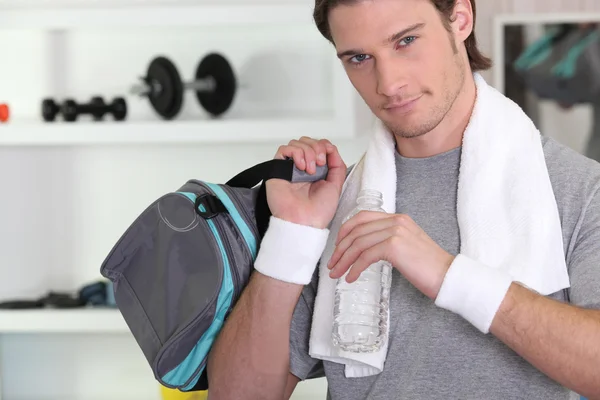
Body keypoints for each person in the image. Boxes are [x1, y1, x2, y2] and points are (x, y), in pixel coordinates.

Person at [206, 0, 600, 399]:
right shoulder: (332, 206)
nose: (388, 83)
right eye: (359, 57)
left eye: (406, 40)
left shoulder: (579, 189)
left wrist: (448, 274)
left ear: (460, 19)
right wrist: (290, 234)